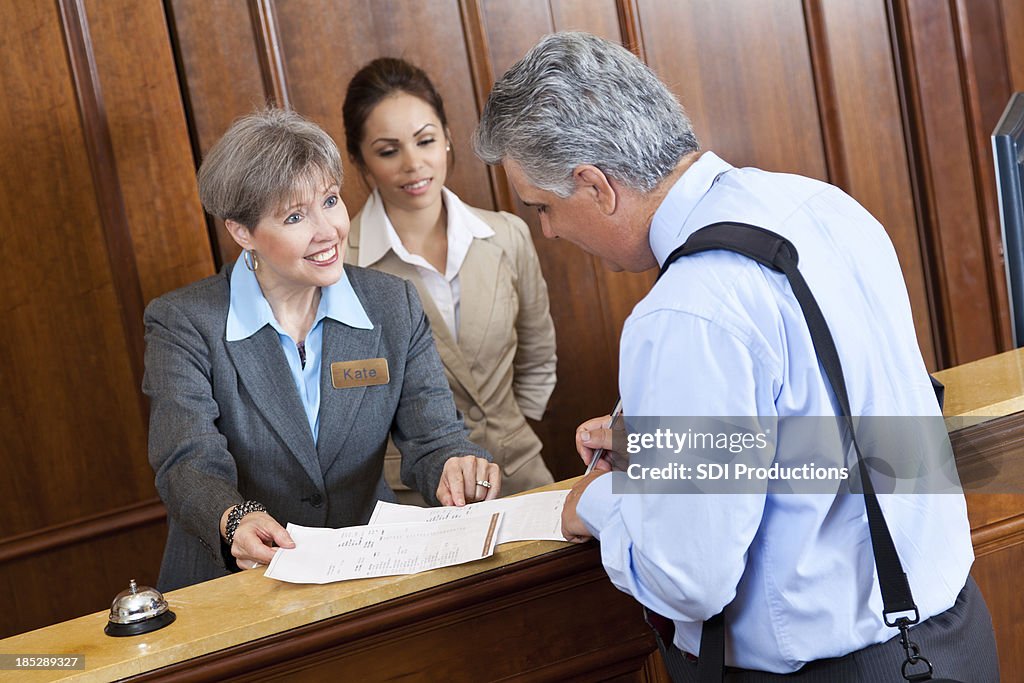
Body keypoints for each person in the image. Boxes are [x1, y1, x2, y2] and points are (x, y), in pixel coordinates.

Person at [473, 31, 998, 681]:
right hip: (953, 635)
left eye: (543, 207)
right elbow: (867, 434)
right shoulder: (824, 207)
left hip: (836, 668)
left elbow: (688, 579)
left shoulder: (686, 310)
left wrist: (599, 501)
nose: (547, 230)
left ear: (596, 185)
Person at [143, 108, 500, 592]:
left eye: (330, 201)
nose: (327, 230)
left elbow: (434, 439)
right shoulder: (184, 322)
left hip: (361, 579)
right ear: (242, 232)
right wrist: (233, 520)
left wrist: (457, 466)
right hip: (232, 584)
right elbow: (187, 461)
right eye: (294, 216)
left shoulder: (391, 304)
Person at [341, 57, 557, 499]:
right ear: (360, 161)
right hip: (415, 498)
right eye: (388, 150)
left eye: (425, 141)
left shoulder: (506, 234)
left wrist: (507, 432)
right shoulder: (343, 265)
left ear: (447, 139)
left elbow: (538, 356)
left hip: (520, 475)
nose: (413, 163)